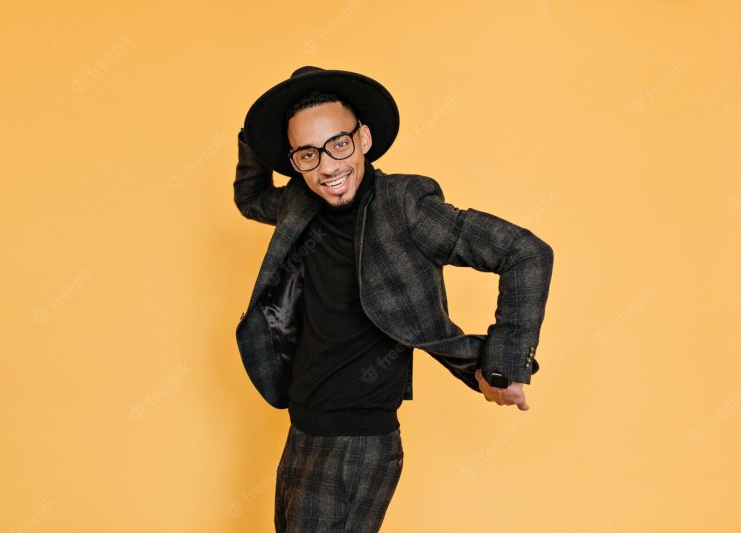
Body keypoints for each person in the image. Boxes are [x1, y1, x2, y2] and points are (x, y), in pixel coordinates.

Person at [233, 66, 554, 532]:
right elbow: (249, 197)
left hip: (356, 443)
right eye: (307, 154)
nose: (327, 166)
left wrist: (505, 360)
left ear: (363, 138)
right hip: (303, 430)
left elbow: (526, 252)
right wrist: (258, 127)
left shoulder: (406, 207)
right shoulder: (298, 203)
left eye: (338, 144)